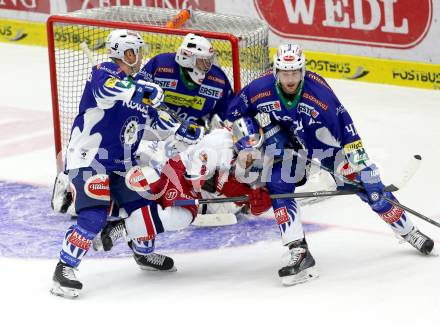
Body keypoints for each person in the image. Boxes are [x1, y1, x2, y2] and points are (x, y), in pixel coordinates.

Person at [225, 44, 435, 285]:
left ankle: (409, 232)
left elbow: (348, 133)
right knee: (278, 186)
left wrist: (363, 169)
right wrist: (255, 136)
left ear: (302, 72)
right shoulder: (260, 89)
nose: (290, 79)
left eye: (294, 72)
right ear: (276, 72)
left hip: (324, 146)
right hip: (286, 142)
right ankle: (299, 251)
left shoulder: (320, 97)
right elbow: (233, 115)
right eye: (285, 73)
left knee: (368, 188)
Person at [50, 29, 203, 299]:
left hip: (123, 161)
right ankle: (64, 269)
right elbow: (110, 90)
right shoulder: (103, 72)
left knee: (144, 207)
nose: (142, 56)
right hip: (90, 160)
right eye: (137, 51)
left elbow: (155, 120)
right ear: (125, 53)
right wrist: (140, 90)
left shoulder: (141, 79)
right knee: (94, 215)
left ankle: (143, 254)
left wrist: (179, 129)